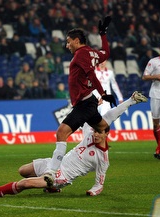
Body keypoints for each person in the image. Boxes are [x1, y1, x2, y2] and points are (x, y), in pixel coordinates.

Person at [0, 91, 148, 198]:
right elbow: (110, 114)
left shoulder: (103, 158)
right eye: (94, 131)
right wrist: (128, 100)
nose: (94, 133)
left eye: (98, 132)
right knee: (23, 171)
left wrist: (92, 191)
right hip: (54, 163)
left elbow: (99, 184)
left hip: (60, 177)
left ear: (106, 133)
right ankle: (50, 189)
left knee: (24, 184)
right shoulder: (90, 132)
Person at [43, 16, 116, 187]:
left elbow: (91, 74)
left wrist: (103, 94)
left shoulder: (81, 54)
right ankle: (103, 158)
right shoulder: (91, 52)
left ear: (77, 41)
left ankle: (52, 172)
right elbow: (106, 54)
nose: (67, 45)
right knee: (102, 126)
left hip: (84, 103)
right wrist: (103, 34)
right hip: (88, 101)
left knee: (61, 133)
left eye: (69, 42)